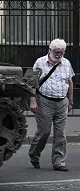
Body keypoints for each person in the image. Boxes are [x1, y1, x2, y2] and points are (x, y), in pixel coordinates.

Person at [28, 39, 74, 172]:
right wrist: (33, 100)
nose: (59, 54)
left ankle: (59, 162)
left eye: (62, 52)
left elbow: (70, 82)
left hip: (61, 102)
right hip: (44, 101)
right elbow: (32, 83)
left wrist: (70, 101)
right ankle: (34, 154)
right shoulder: (40, 62)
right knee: (44, 132)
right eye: (57, 52)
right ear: (50, 50)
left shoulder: (66, 63)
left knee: (60, 134)